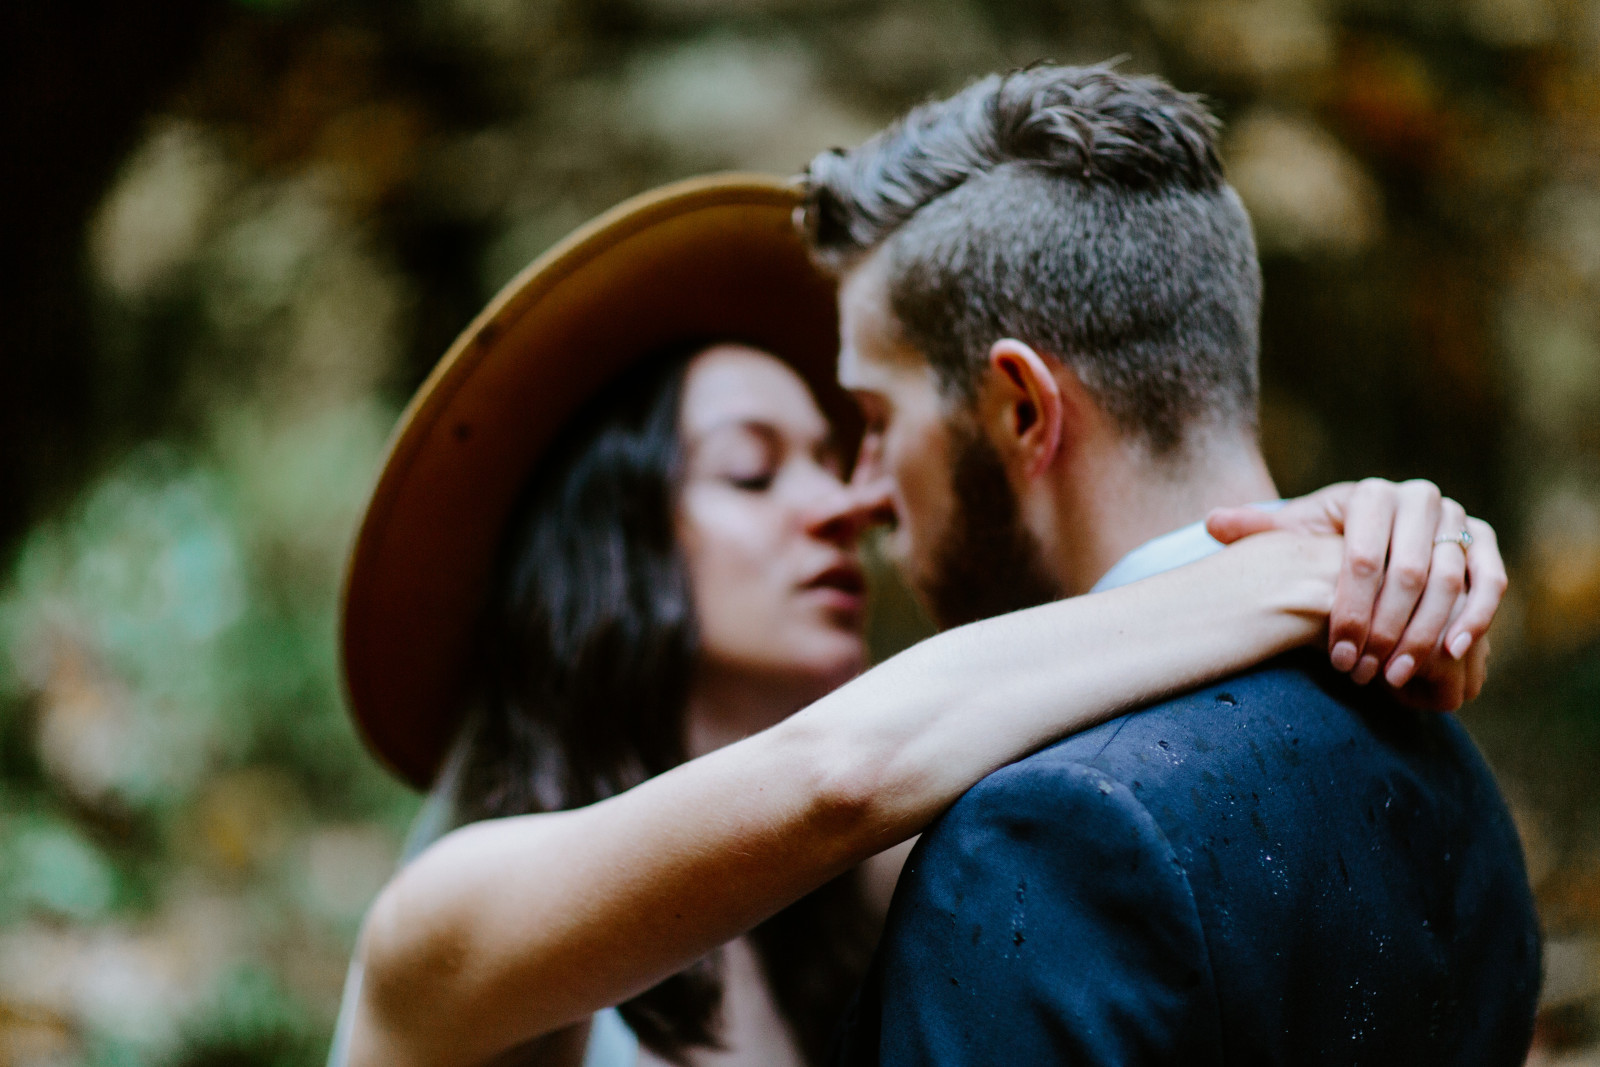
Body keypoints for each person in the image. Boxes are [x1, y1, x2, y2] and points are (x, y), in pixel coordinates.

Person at [333, 176, 1508, 1067]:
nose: (845, 503)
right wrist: (1260, 578)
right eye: (753, 472)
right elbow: (836, 769)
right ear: (609, 554)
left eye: (837, 453)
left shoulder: (876, 879)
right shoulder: (440, 920)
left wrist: (1386, 540)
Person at [800, 63, 1541, 1065]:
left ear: (1020, 408)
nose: (865, 486)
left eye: (879, 418)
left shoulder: (1046, 833)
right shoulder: (1444, 759)